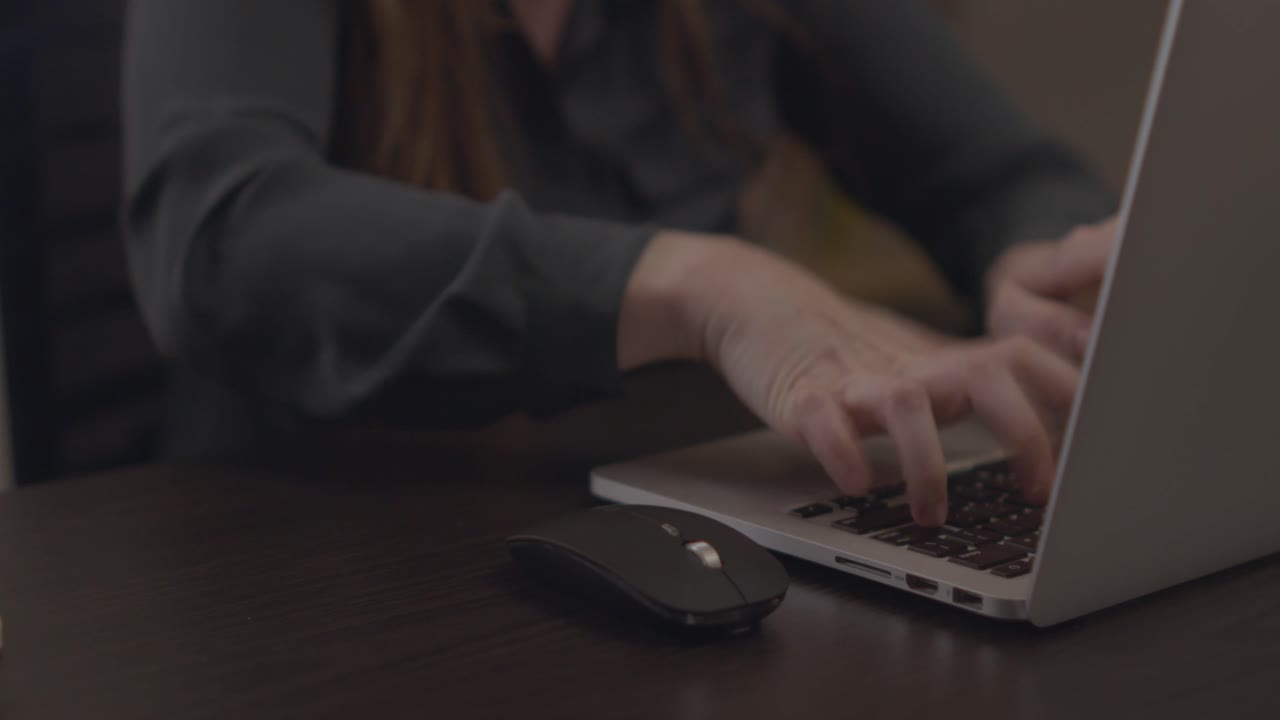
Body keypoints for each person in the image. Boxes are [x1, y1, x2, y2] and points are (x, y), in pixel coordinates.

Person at [122, 0, 1116, 527]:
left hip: (672, 542)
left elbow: (997, 173)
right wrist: (696, 287)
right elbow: (218, 234)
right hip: (312, 567)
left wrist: (1035, 266)